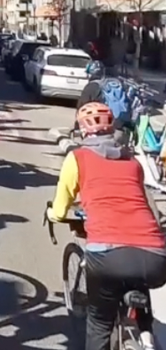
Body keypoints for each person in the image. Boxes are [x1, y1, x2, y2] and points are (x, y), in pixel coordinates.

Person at [48, 101, 166, 350]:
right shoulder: (133, 162)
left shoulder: (77, 158)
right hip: (155, 256)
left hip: (107, 257)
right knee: (139, 276)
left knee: (99, 325)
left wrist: (52, 214)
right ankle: (146, 335)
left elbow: (60, 210)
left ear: (82, 130)